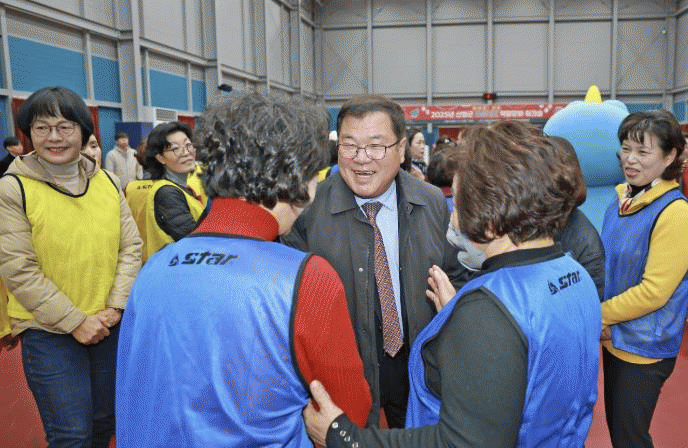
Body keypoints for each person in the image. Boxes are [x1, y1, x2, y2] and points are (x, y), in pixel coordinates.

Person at [303, 125, 601, 447]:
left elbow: (463, 441)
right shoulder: (574, 273)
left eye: (458, 206)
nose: (453, 219)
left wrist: (345, 437)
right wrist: (461, 319)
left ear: (491, 219)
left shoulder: (489, 312)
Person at [116, 92, 371, 447]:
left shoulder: (155, 268)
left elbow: (135, 392)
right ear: (297, 176)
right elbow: (348, 412)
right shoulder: (305, 278)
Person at [282, 94, 466, 428]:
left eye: (376, 146)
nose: (361, 158)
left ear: (401, 149)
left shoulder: (430, 202)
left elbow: (455, 275)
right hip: (346, 374)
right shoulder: (309, 208)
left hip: (418, 367)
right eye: (350, 145)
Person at [0, 86, 142, 447]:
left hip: (107, 324)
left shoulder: (107, 181)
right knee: (71, 435)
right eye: (42, 128)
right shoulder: (13, 189)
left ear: (83, 131)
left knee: (103, 424)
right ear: (28, 134)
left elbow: (130, 247)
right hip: (48, 330)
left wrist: (115, 307)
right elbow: (18, 268)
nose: (54, 137)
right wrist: (76, 321)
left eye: (64, 127)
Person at [600, 110, 688, 448]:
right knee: (620, 432)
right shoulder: (621, 201)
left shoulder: (675, 213)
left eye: (643, 151)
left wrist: (598, 315)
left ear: (670, 156)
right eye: (626, 148)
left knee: (630, 437)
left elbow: (654, 292)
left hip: (645, 347)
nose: (630, 159)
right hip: (614, 338)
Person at [140, 121, 206, 261]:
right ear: (160, 158)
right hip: (174, 269)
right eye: (175, 148)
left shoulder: (182, 188)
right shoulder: (167, 193)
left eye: (188, 145)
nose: (186, 153)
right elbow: (194, 239)